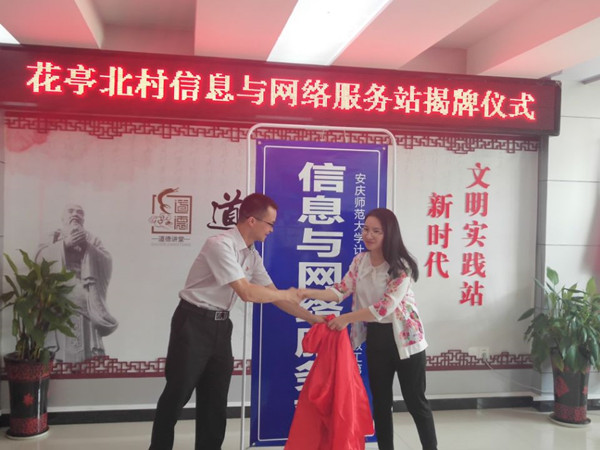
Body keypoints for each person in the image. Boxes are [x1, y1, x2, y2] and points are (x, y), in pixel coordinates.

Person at [149, 193, 324, 450]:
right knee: (177, 394)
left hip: (221, 327)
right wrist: (286, 294)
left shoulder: (252, 256)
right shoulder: (219, 245)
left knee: (215, 400)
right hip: (193, 323)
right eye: (270, 224)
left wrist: (314, 319)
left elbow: (274, 296)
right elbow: (247, 292)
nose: (272, 230)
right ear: (252, 220)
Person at [299, 208, 438, 450]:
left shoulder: (401, 267)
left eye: (376, 231)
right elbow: (341, 290)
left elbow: (384, 307)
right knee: (381, 404)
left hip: (406, 341)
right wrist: (306, 292)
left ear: (389, 234)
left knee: (416, 402)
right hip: (377, 338)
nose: (369, 235)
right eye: (365, 229)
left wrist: (346, 318)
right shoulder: (359, 261)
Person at [36, 203, 117, 363]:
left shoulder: (91, 238)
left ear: (83, 218)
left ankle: (86, 362)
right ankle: (58, 361)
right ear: (63, 217)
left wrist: (87, 246)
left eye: (80, 212)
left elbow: (107, 261)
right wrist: (64, 244)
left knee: (84, 305)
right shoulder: (53, 236)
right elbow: (39, 259)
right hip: (57, 290)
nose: (75, 214)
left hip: (84, 288)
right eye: (71, 211)